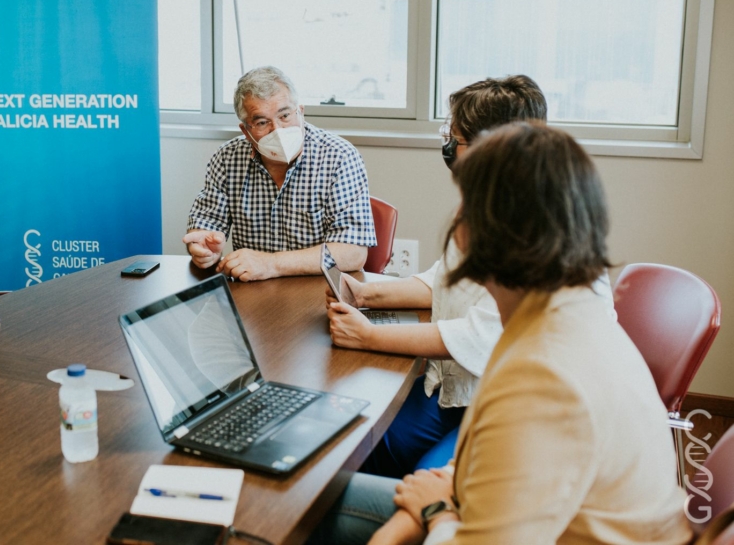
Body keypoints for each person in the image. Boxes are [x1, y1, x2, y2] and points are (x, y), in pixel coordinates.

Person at [311, 123, 692, 545]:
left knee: (309, 510)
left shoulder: (542, 376)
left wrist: (433, 511)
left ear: (482, 231)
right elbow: (491, 463)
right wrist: (422, 510)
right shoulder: (565, 312)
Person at [326, 76, 610, 479]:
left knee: (421, 476)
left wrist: (368, 336)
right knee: (365, 444)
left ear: (488, 147)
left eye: (454, 137)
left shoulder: (538, 228)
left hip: (517, 406)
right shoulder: (490, 203)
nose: (448, 145)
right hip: (463, 387)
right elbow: (446, 279)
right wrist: (367, 295)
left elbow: (481, 335)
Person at [184, 66, 376, 281]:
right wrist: (203, 247)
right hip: (253, 289)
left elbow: (353, 253)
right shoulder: (227, 158)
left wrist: (271, 264)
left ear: (300, 112)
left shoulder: (338, 156)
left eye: (285, 115)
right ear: (246, 131)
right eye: (262, 122)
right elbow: (206, 225)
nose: (277, 130)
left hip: (320, 288)